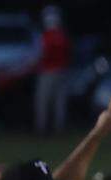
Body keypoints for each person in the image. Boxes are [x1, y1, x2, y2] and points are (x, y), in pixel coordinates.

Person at [34, 6, 71, 136]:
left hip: (47, 72)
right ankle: (58, 128)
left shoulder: (45, 37)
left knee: (42, 102)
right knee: (59, 103)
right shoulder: (63, 37)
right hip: (62, 72)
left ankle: (42, 128)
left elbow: (40, 55)